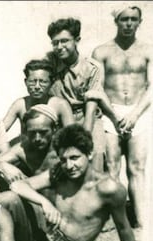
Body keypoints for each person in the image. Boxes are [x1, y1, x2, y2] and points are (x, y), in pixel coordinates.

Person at [0, 124, 140, 241]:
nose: (69, 166)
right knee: (7, 199)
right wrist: (44, 202)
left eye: (74, 158)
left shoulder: (109, 189)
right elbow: (17, 186)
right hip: (40, 235)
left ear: (89, 154)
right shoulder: (59, 173)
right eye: (63, 159)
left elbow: (123, 228)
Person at [92, 5, 151, 228]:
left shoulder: (148, 50)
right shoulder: (102, 51)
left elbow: (152, 87)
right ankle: (117, 219)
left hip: (139, 112)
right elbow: (98, 87)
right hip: (111, 111)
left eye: (133, 19)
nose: (128, 23)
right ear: (116, 21)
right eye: (124, 19)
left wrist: (135, 114)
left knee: (137, 168)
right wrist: (114, 116)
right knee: (113, 166)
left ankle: (142, 220)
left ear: (139, 21)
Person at [46, 17, 118, 171]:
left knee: (94, 156)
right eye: (55, 42)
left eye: (64, 41)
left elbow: (91, 108)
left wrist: (83, 139)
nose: (59, 46)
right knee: (57, 159)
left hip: (86, 117)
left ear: (77, 40)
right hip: (60, 119)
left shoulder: (93, 68)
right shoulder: (50, 62)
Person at [0, 105, 60, 184]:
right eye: (32, 133)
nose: (37, 138)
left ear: (55, 128)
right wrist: (1, 167)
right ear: (25, 131)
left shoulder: (66, 148)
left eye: (43, 132)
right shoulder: (23, 149)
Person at [3, 59, 74, 133]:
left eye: (43, 82)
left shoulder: (61, 105)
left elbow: (72, 135)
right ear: (26, 82)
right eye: (32, 81)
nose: (37, 86)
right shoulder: (20, 104)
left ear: (51, 83)